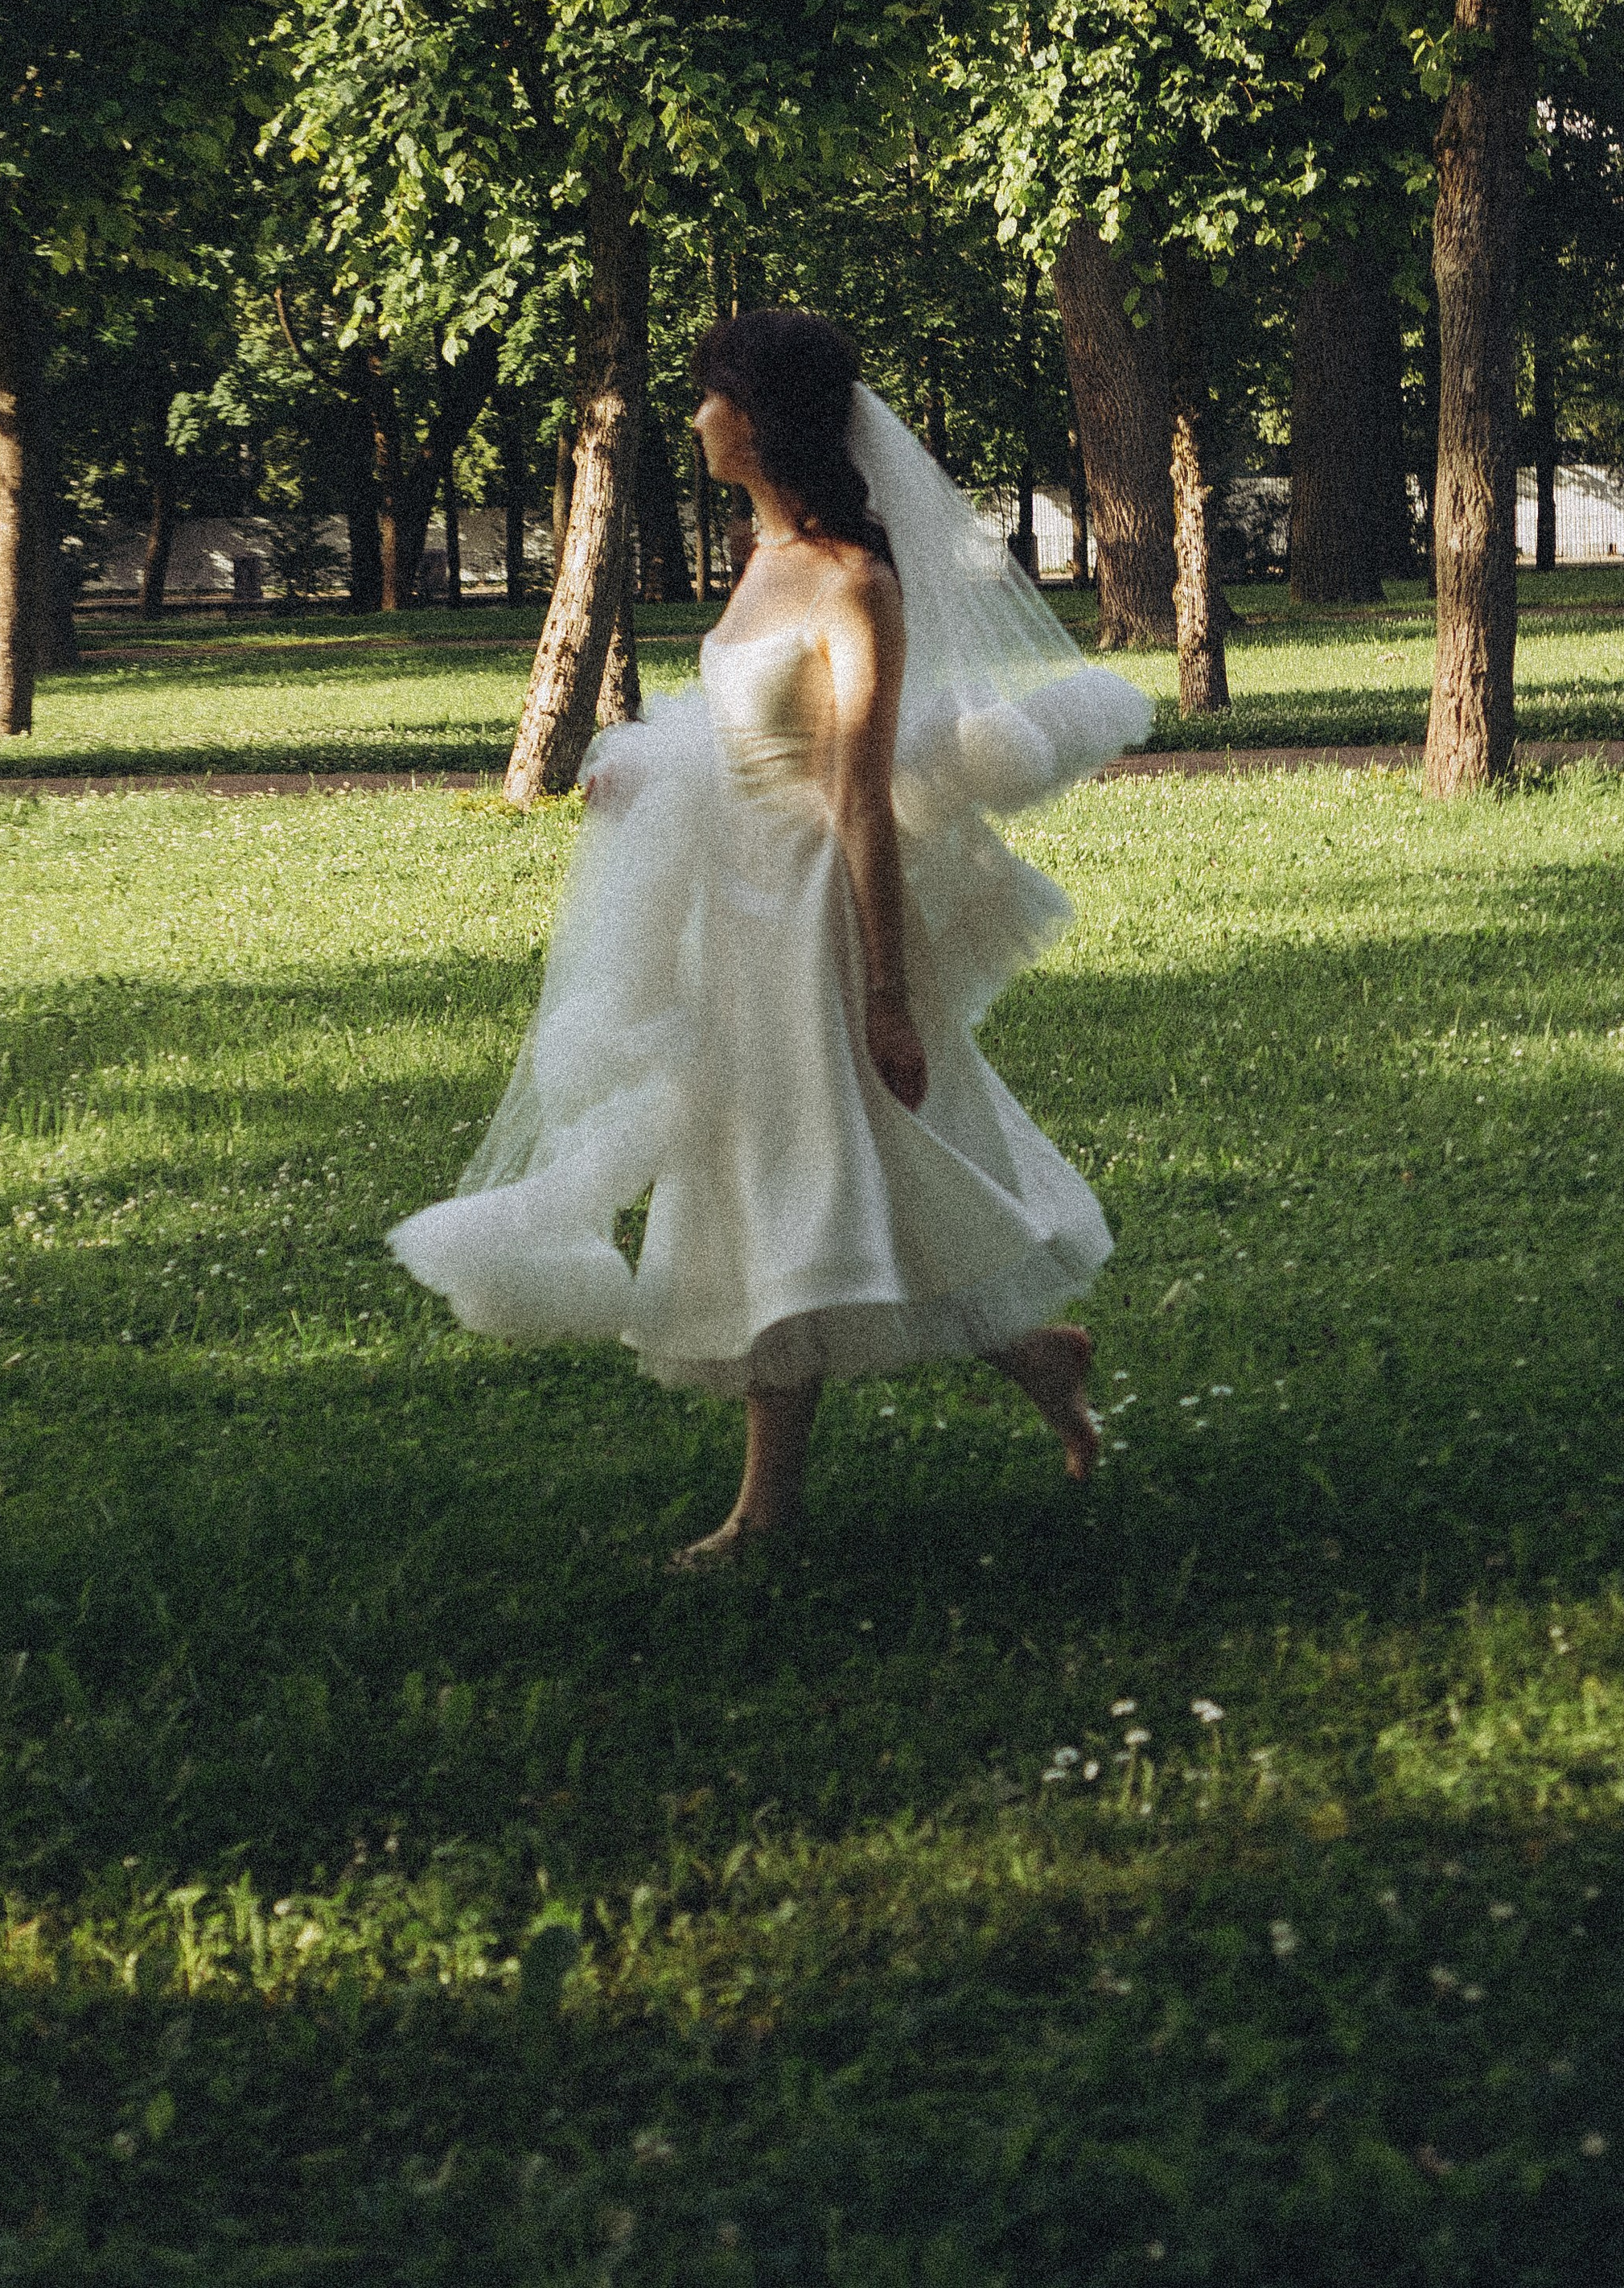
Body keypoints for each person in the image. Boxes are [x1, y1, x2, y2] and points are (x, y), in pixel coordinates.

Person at [390, 311, 1155, 1566]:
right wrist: (647, 773)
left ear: (760, 417)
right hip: (726, 903)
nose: (693, 419)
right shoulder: (762, 557)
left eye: (710, 398)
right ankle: (1032, 1350)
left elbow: (854, 791)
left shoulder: (860, 580)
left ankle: (765, 1512)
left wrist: (889, 995)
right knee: (827, 1172)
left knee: (801, 1174)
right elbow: (741, 730)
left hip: (811, 918)